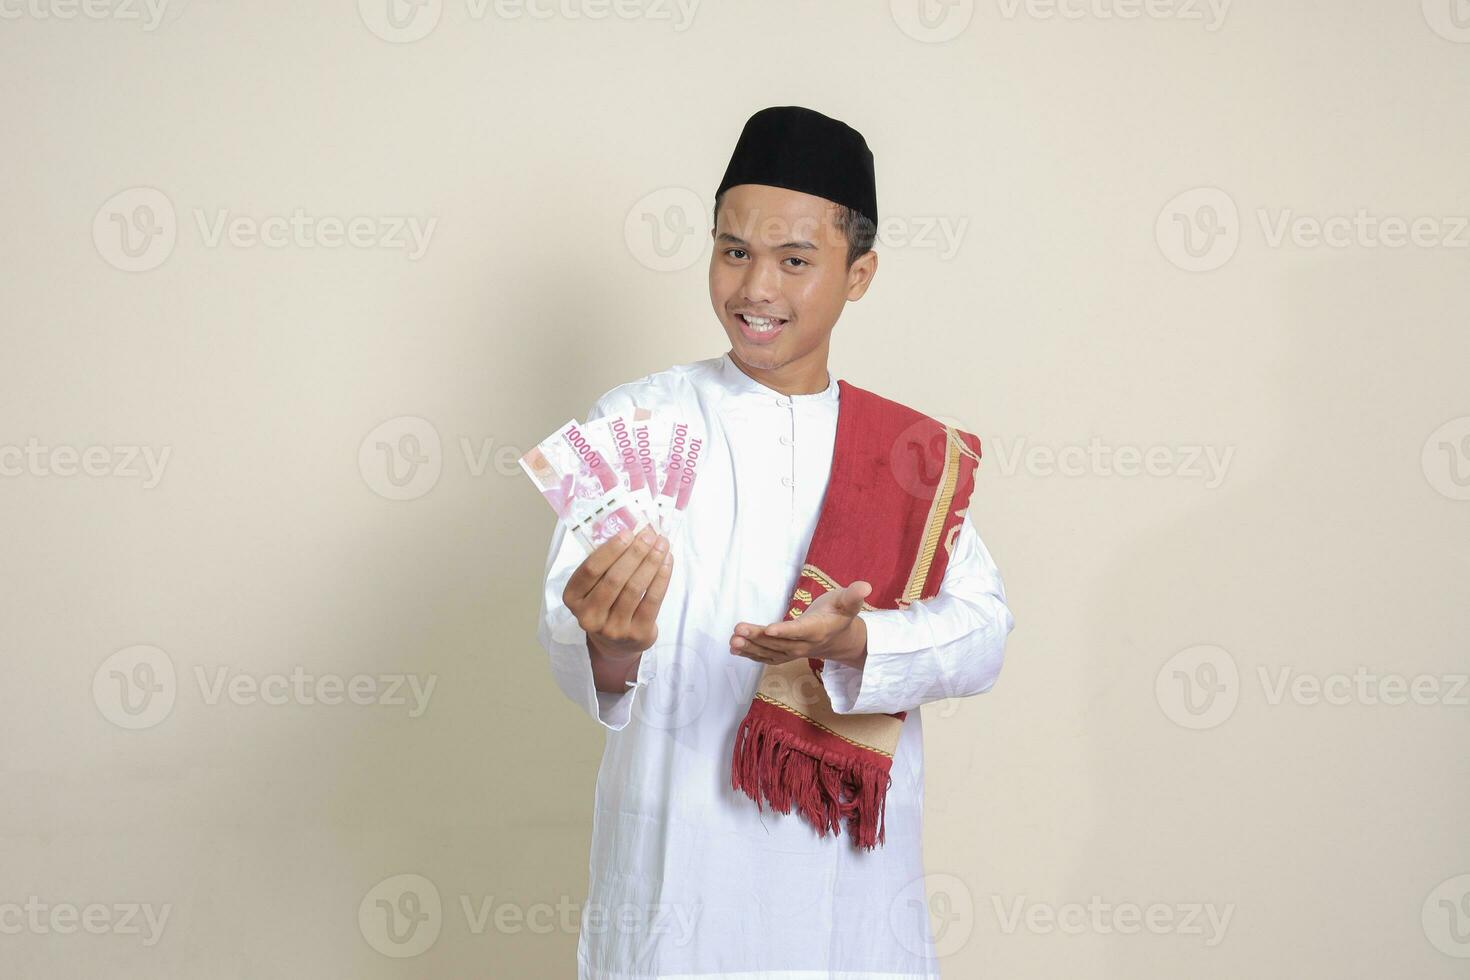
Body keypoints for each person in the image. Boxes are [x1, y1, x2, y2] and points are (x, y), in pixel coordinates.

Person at [535, 105, 1015, 979]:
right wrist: (608, 643)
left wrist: (859, 640)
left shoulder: (908, 454)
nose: (756, 288)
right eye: (734, 251)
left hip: (847, 885)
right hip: (676, 866)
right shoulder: (639, 419)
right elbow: (572, 639)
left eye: (795, 260)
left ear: (858, 273)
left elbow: (984, 633)